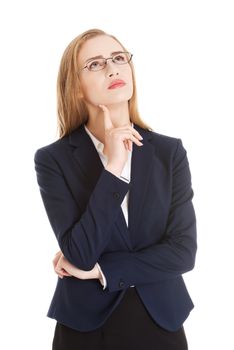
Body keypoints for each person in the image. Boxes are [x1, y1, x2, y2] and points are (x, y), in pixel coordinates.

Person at [34, 28, 197, 350]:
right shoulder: (53, 159)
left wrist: (100, 270)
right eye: (95, 64)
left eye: (119, 58)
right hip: (85, 327)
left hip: (161, 317)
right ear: (76, 87)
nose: (112, 69)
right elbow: (79, 254)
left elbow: (182, 253)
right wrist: (114, 168)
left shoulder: (169, 152)